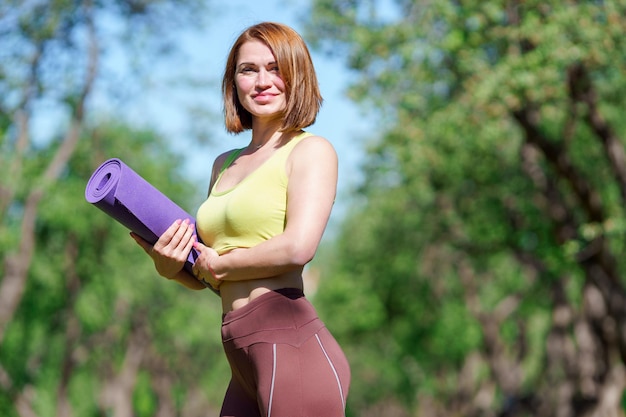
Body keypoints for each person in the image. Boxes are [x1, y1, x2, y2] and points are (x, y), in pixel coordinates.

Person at [131, 22, 350, 417]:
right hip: (239, 351)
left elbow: (299, 247)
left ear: (297, 74)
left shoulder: (311, 151)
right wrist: (171, 267)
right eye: (248, 70)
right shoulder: (223, 165)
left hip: (290, 343)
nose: (262, 81)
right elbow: (212, 275)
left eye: (275, 67)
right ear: (234, 82)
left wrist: (223, 262)